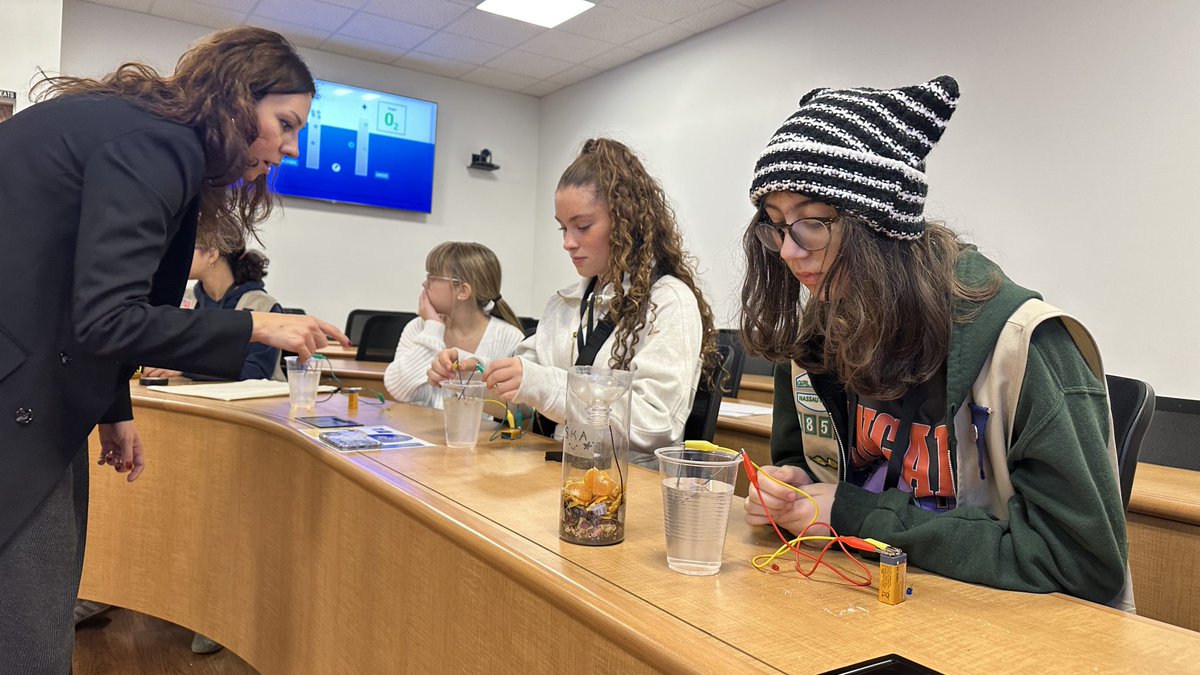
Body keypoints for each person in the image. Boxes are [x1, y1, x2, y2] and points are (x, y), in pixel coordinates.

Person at [0, 26, 350, 672]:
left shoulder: (141, 133)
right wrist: (255, 328)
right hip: (18, 394)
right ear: (238, 98)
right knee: (27, 635)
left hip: (34, 378)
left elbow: (95, 299)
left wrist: (114, 408)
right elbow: (108, 318)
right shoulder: (157, 146)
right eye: (285, 124)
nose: (291, 148)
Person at [738, 76, 1132, 609]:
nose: (788, 251)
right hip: (860, 598)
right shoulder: (815, 343)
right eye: (776, 225)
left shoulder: (1025, 346)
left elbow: (1081, 563)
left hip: (1001, 626)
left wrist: (853, 514)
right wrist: (794, 485)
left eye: (811, 221)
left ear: (881, 225)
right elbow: (821, 470)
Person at [431, 138, 721, 452]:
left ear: (627, 223)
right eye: (563, 228)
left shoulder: (669, 302)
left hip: (628, 476)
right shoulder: (564, 304)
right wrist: (475, 376)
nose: (568, 242)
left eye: (582, 226)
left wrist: (546, 386)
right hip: (563, 467)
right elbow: (526, 402)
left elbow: (655, 425)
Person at [384, 242, 524, 408]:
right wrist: (433, 328)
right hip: (425, 424)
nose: (424, 284)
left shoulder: (509, 338)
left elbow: (515, 407)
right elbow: (399, 390)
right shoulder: (420, 327)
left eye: (432, 278)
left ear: (463, 291)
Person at [144, 243, 287, 383]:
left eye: (188, 247)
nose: (177, 256)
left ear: (212, 254)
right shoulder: (183, 299)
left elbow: (256, 371)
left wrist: (183, 368)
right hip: (184, 395)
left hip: (249, 399)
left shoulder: (263, 306)